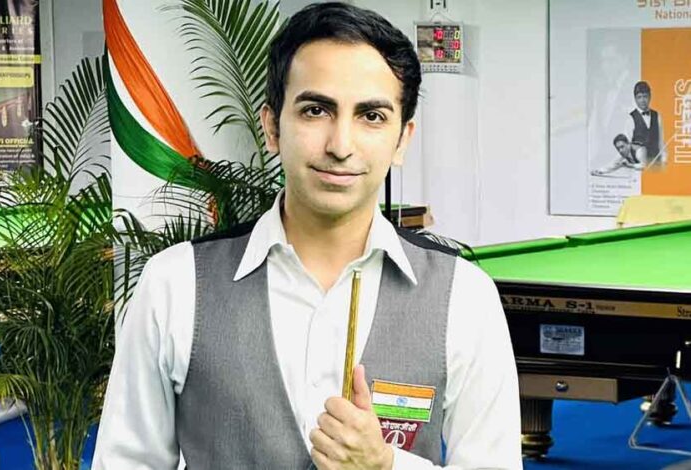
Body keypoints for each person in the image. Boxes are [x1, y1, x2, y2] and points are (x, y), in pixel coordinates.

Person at [92, 3, 521, 469]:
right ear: (272, 127)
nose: (340, 145)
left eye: (371, 116)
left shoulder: (465, 297)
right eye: (316, 110)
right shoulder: (174, 284)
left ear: (402, 139)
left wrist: (387, 465)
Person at [625, 81, 665, 168]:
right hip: (639, 166)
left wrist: (664, 159)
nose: (642, 100)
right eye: (639, 97)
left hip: (656, 164)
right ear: (635, 99)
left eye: (645, 96)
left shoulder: (657, 116)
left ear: (650, 97)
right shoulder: (630, 118)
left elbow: (661, 141)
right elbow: (628, 145)